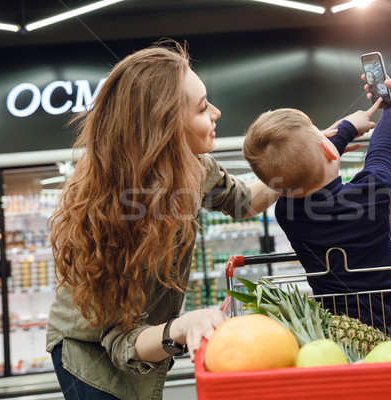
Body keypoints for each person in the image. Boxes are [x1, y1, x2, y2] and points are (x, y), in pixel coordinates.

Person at [44, 40, 289, 400]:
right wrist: (180, 326)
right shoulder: (118, 213)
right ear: (166, 128)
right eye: (203, 107)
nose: (217, 112)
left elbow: (244, 202)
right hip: (90, 355)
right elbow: (120, 341)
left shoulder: (193, 164)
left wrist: (302, 159)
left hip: (136, 340)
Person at [243, 76, 391, 333]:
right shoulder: (372, 193)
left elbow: (299, 170)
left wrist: (340, 135)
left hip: (333, 328)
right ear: (329, 151)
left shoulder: (286, 212)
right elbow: (382, 145)